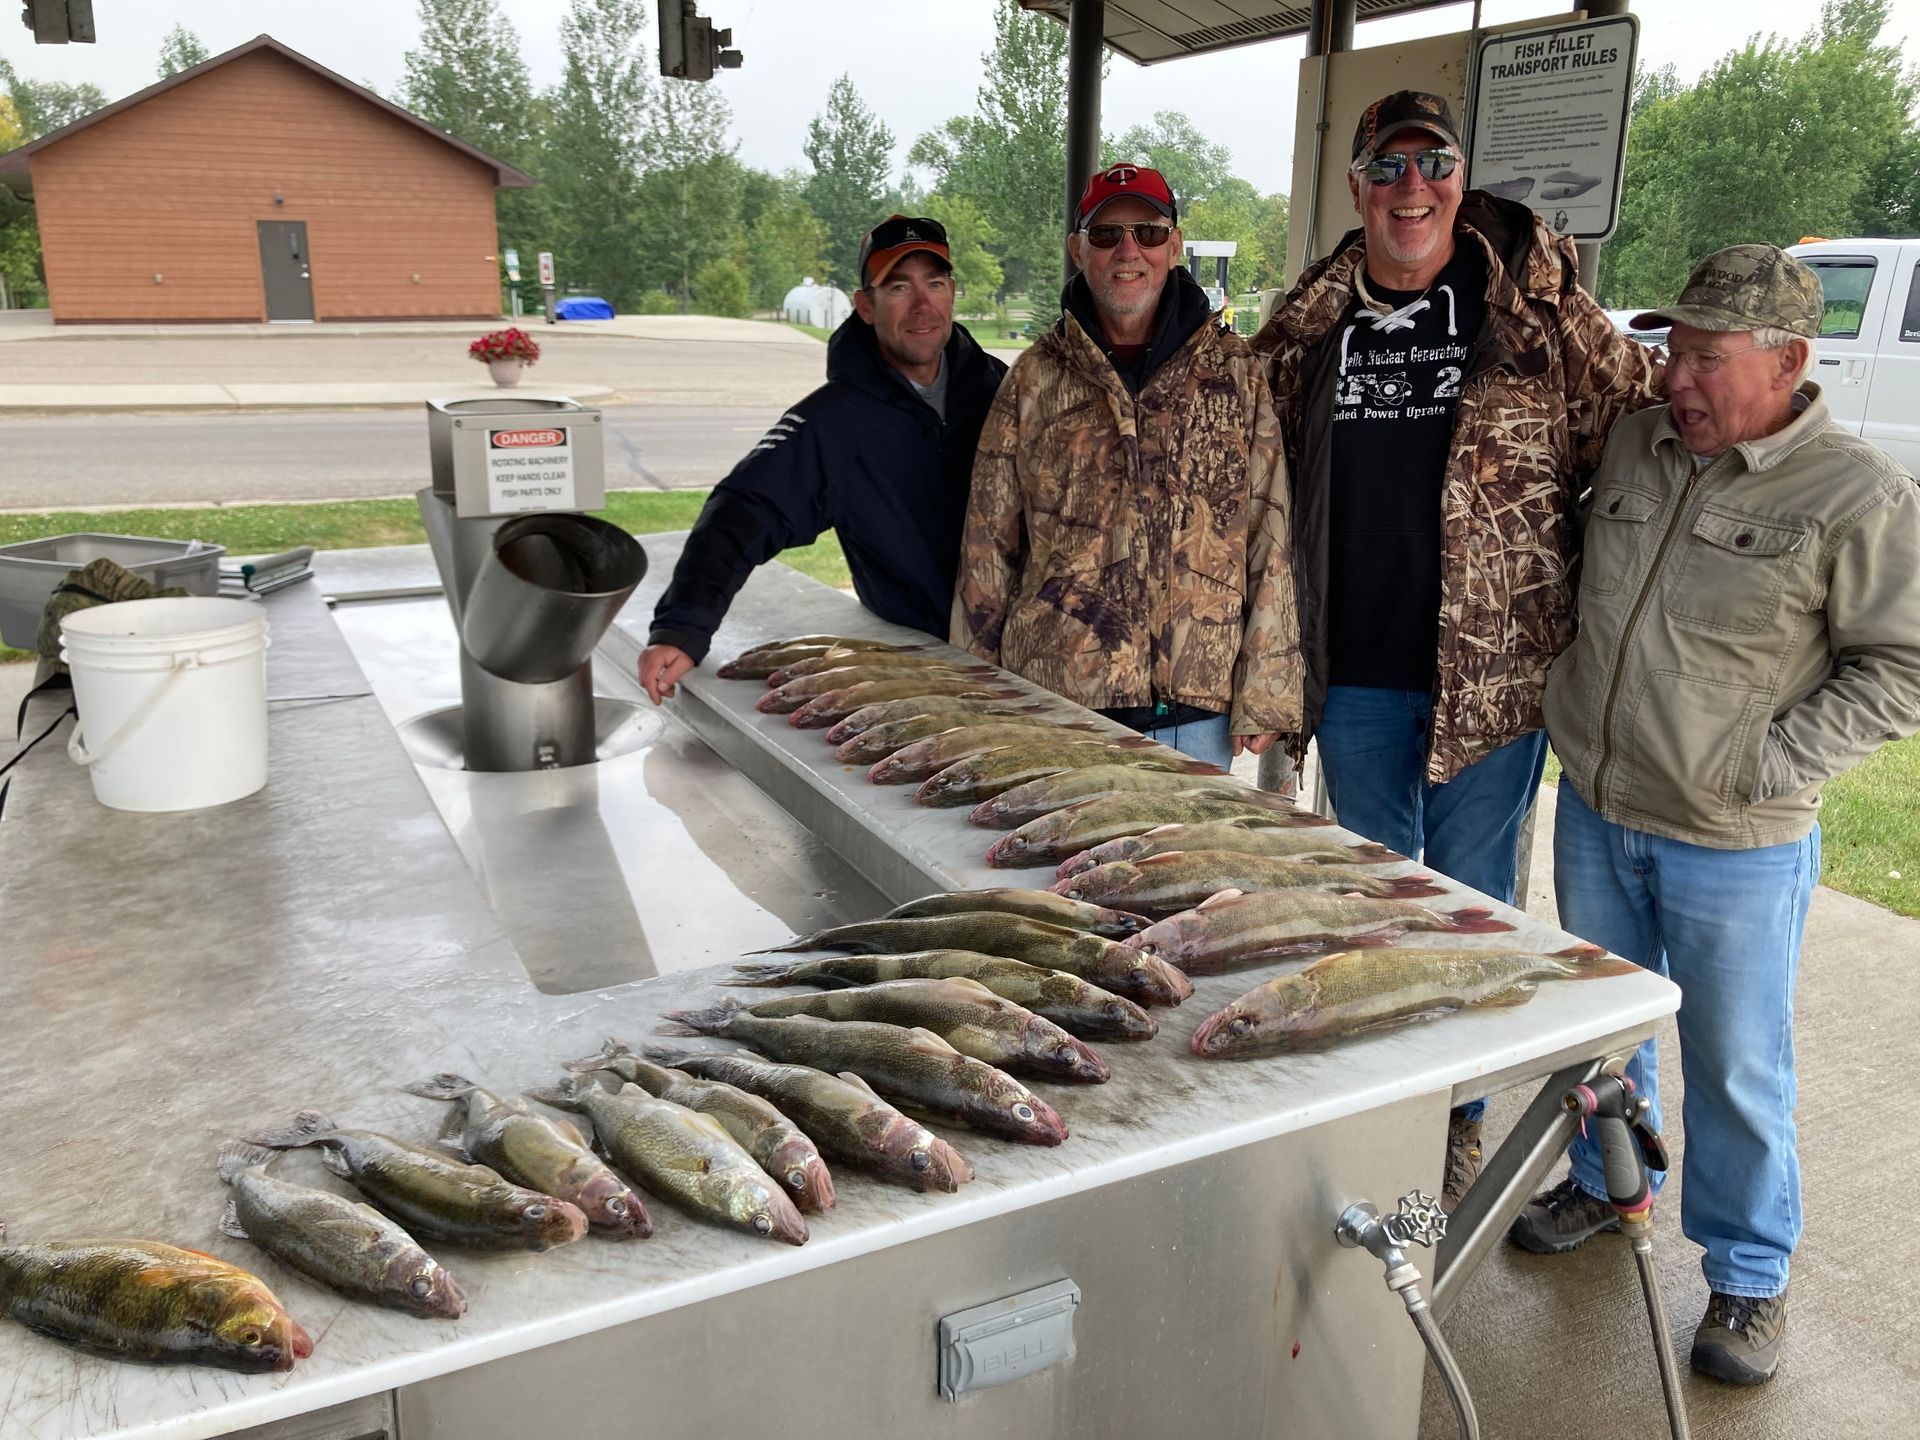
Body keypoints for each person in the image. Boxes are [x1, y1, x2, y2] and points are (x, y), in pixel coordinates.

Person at [1512, 245, 1920, 1385]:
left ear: (1789, 361)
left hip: (1738, 837)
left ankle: (1746, 1276)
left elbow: (1902, 666)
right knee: (1602, 1031)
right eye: (1671, 350)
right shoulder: (1640, 442)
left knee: (1736, 1061)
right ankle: (1605, 1186)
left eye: (1706, 358)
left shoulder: (1857, 492)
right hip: (1598, 802)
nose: (1675, 380)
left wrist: (1768, 761)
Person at [1249, 90, 1661, 1205]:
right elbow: (1252, 468)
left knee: (1473, 906)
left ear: (1459, 175)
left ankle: (1459, 1115)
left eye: (1432, 163)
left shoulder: (1524, 306)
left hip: (1499, 678)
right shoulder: (1310, 324)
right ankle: (1402, 1109)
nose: (1410, 187)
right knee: (1381, 907)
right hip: (1364, 674)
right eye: (1387, 166)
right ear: (1357, 188)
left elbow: (1634, 418)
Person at [951, 163, 1300, 769]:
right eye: (1107, 235)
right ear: (1078, 249)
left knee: (1184, 863)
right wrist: (977, 699)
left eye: (1149, 232)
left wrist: (1266, 689)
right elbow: (987, 544)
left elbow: (1269, 535)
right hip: (1059, 704)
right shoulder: (1034, 379)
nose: (1129, 251)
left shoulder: (1235, 373)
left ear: (1175, 247)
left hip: (1194, 715)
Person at [639, 215, 1007, 701]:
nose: (922, 305)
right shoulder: (832, 423)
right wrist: (682, 625)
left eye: (934, 283)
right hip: (928, 663)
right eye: (898, 287)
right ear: (866, 307)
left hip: (1029, 655)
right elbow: (742, 512)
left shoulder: (1005, 392)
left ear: (952, 293)